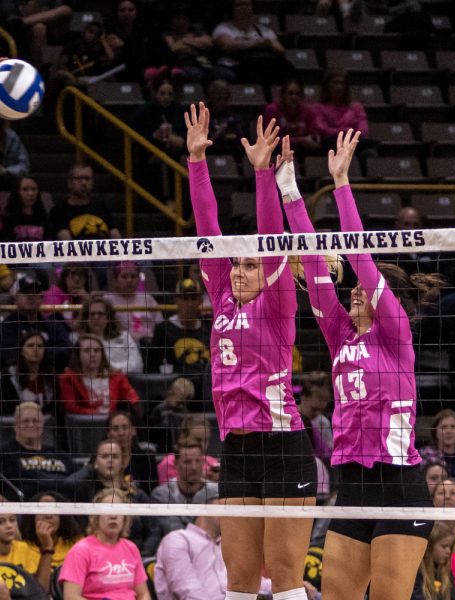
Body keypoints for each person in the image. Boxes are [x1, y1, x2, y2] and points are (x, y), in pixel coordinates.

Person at [280, 129, 446, 600]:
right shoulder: (340, 335)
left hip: (399, 487)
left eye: (360, 288)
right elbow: (314, 269)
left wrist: (341, 183)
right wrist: (289, 190)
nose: (352, 290)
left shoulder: (394, 332)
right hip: (353, 486)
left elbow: (360, 257)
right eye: (350, 288)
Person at [187, 103, 316, 600]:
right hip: (236, 448)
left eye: (248, 264)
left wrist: (264, 175)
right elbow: (207, 232)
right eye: (234, 265)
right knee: (238, 583)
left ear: (265, 270)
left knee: (283, 582)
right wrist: (197, 161)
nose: (238, 270)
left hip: (283, 447)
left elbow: (270, 238)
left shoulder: (278, 301)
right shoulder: (221, 293)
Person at [154, 499, 273, 600]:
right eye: (224, 507)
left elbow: (251, 582)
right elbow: (186, 590)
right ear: (205, 508)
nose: (230, 514)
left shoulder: (227, 545)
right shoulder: (178, 539)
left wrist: (285, 587)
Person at [67, 439, 161, 555]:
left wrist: (143, 554)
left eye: (115, 456)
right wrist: (89, 468)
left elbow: (154, 530)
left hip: (135, 555)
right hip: (96, 555)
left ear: (123, 462)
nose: (110, 460)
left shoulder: (137, 495)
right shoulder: (84, 492)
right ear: (96, 463)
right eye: (104, 456)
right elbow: (68, 484)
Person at [0, 402, 76, 502]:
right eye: (26, 421)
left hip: (63, 510)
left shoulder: (59, 454)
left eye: (36, 421)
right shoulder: (0, 454)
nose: (31, 424)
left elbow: (79, 483)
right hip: (24, 513)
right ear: (16, 425)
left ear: (42, 425)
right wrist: (12, 511)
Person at [58, 488, 151, 600]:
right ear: (96, 518)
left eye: (118, 511)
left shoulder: (131, 548)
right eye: (107, 510)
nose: (113, 516)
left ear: (125, 518)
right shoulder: (80, 551)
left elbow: (143, 594)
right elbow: (70, 597)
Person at [0, 274, 73, 373]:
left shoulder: (53, 325)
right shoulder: (5, 327)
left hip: (50, 379)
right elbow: (9, 357)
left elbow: (66, 353)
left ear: (41, 298)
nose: (31, 296)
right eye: (25, 292)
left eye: (35, 292)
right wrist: (45, 353)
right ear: (15, 298)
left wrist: (33, 353)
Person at [212, 0, 294, 96]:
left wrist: (249, 42)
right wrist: (257, 42)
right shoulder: (224, 27)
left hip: (259, 65)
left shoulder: (264, 30)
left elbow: (280, 49)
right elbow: (226, 45)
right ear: (233, 8)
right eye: (240, 5)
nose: (244, 8)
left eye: (247, 4)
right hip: (233, 65)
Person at [59, 334, 140, 416]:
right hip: (86, 424)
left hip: (113, 424)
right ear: (78, 355)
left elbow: (132, 399)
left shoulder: (116, 376)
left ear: (102, 354)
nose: (92, 355)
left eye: (96, 350)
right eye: (87, 351)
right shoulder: (69, 378)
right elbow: (71, 408)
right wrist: (98, 414)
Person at [0, 513, 53, 593]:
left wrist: (47, 547)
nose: (9, 526)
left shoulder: (25, 549)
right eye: (0, 522)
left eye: (12, 520)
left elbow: (41, 589)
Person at [145, 278, 211, 377]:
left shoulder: (208, 328)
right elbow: (154, 367)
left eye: (193, 298)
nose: (189, 304)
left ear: (200, 301)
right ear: (176, 300)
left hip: (206, 381)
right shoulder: (163, 330)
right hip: (177, 382)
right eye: (185, 299)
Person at [151, 438, 220, 533]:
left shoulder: (217, 493)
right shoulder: (161, 495)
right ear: (176, 464)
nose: (194, 467)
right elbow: (172, 530)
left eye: (198, 461)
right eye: (188, 462)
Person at [0, 332, 58, 416]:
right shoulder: (7, 377)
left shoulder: (52, 378)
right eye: (30, 345)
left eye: (40, 346)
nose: (36, 349)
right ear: (21, 351)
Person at [75, 294, 143, 374]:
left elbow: (138, 365)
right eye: (92, 314)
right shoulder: (78, 340)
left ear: (108, 318)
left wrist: (111, 369)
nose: (96, 317)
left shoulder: (124, 337)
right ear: (86, 318)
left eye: (100, 314)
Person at [50, 164, 120, 241]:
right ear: (70, 183)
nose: (84, 182)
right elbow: (67, 244)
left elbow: (116, 237)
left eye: (87, 179)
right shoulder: (59, 211)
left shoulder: (101, 207)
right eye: (79, 178)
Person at [19, 492, 83, 567]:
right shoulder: (20, 548)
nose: (48, 515)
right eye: (42, 511)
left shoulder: (78, 545)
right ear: (32, 518)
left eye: (53, 510)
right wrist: (46, 546)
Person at [104, 261, 163, 343]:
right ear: (115, 281)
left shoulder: (147, 298)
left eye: (133, 276)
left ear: (139, 279)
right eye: (124, 276)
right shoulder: (107, 300)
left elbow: (160, 325)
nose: (129, 280)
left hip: (148, 345)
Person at [312, 69, 369, 148]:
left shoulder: (357, 107)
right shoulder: (318, 108)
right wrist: (347, 130)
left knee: (369, 151)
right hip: (330, 145)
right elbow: (323, 130)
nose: (339, 87)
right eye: (335, 83)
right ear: (327, 85)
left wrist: (340, 132)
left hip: (353, 145)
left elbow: (363, 131)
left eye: (342, 83)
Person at [156, 413, 220, 485]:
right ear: (184, 437)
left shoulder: (212, 462)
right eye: (198, 440)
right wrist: (204, 478)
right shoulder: (168, 464)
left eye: (206, 440)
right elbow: (169, 492)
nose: (202, 445)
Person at [262, 78, 320, 155]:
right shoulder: (272, 110)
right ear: (283, 95)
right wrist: (301, 140)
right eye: (290, 93)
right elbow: (272, 141)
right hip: (278, 152)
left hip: (301, 151)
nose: (294, 97)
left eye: (297, 94)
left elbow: (313, 134)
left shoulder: (308, 111)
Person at [107, 411, 158, 492]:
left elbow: (151, 493)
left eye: (125, 428)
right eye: (115, 429)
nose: (121, 433)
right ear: (108, 433)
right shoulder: (99, 459)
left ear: (133, 431)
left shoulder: (146, 459)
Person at [0, 176, 50, 243]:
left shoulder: (44, 217)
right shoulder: (5, 218)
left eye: (34, 189)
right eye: (25, 189)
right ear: (17, 192)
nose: (31, 193)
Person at [296, 371, 333, 463]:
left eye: (321, 411)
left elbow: (329, 455)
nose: (317, 415)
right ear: (303, 396)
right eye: (314, 409)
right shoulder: (290, 419)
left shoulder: (322, 422)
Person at [413, 522, 455, 600]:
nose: (448, 551)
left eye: (450, 547)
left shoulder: (446, 572)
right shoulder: (417, 572)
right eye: (444, 546)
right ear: (429, 546)